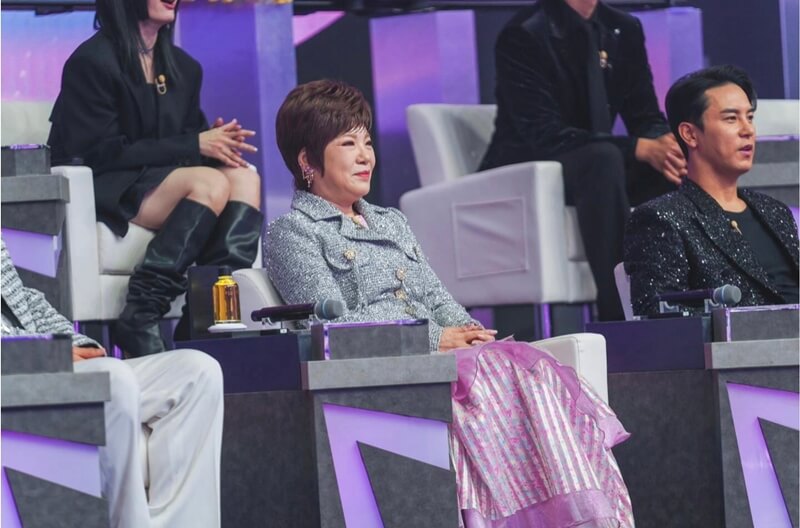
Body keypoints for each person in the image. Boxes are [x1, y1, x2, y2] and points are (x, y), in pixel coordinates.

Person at [265, 80, 634, 527]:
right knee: (498, 381)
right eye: (348, 144)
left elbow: (436, 296)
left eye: (367, 142)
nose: (365, 156)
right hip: (388, 368)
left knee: (527, 370)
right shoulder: (293, 232)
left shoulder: (390, 221)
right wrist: (435, 339)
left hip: (441, 356)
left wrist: (469, 333)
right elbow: (331, 329)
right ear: (307, 160)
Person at [48, 0, 263, 357]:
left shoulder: (184, 67)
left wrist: (214, 143)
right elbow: (98, 152)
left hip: (161, 178)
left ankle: (207, 317)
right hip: (108, 183)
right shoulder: (92, 62)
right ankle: (141, 313)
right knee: (209, 184)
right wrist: (194, 143)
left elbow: (187, 138)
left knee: (243, 179)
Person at [479, 0, 687, 321]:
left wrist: (666, 144)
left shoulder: (623, 28)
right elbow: (543, 133)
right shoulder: (524, 32)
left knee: (674, 164)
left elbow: (645, 115)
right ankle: (620, 317)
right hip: (531, 166)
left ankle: (678, 307)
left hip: (596, 163)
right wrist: (637, 148)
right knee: (603, 161)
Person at [0, 238, 224, 528]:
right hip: (16, 369)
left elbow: (26, 301)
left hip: (45, 360)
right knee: (111, 380)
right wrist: (47, 351)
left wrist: (75, 344)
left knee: (197, 373)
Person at [624, 65, 799, 317]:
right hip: (739, 342)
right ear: (690, 134)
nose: (748, 130)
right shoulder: (661, 219)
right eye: (731, 119)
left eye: (749, 117)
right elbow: (660, 320)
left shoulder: (775, 212)